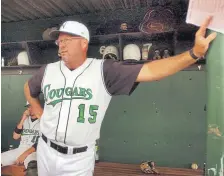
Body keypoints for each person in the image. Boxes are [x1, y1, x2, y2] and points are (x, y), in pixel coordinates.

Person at [24, 16, 217, 176]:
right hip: (45, 151)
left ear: (84, 43)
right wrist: (37, 108)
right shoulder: (47, 71)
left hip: (78, 159)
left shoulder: (103, 70)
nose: (61, 46)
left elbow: (151, 71)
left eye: (66, 40)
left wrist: (194, 53)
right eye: (59, 41)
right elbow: (28, 88)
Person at [1, 102, 40, 172]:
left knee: (32, 168)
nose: (30, 109)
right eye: (28, 107)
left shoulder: (43, 121)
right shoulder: (25, 120)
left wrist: (24, 154)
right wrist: (23, 119)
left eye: (32, 106)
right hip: (21, 149)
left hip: (34, 151)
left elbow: (41, 142)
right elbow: (15, 136)